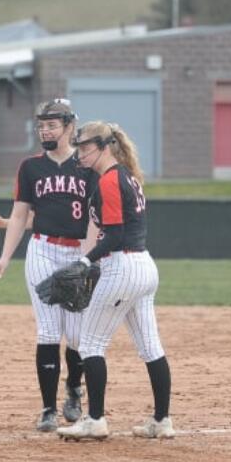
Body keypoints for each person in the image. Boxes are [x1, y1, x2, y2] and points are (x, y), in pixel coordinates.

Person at [56, 121, 174, 441]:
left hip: (122, 266)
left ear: (105, 147)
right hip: (144, 267)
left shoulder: (110, 180)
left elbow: (116, 234)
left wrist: (84, 261)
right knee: (150, 347)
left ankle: (95, 419)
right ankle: (162, 421)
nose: (80, 153)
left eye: (85, 147)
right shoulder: (125, 176)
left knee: (90, 343)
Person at [0, 99, 90, 432]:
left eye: (51, 125)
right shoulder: (31, 167)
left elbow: (94, 218)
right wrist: (5, 256)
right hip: (43, 251)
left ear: (69, 127)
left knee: (76, 335)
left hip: (78, 253)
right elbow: (21, 215)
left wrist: (90, 260)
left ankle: (74, 389)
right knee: (48, 331)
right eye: (41, 125)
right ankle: (48, 408)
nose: (44, 130)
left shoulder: (87, 165)